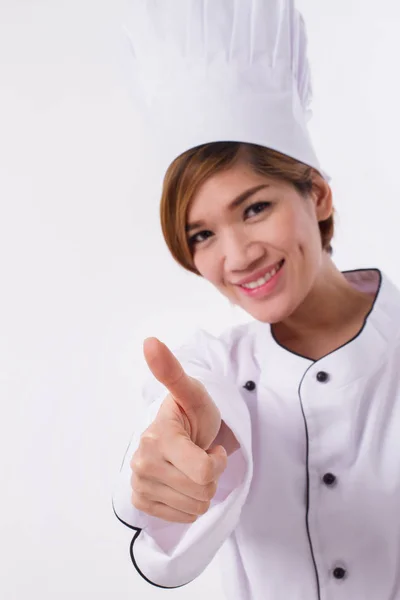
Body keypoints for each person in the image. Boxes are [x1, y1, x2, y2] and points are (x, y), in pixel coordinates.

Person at [113, 2, 400, 599]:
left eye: (254, 208)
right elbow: (194, 410)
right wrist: (169, 457)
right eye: (202, 235)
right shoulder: (215, 368)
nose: (238, 255)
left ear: (317, 194)